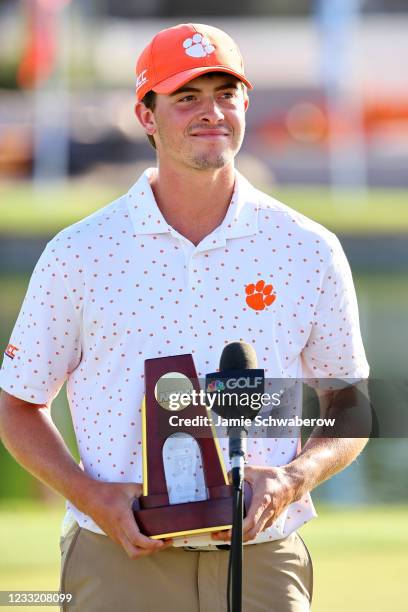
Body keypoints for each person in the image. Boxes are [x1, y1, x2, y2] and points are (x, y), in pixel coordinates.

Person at [0, 23, 370, 612]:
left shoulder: (307, 248)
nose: (212, 112)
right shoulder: (80, 252)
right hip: (121, 559)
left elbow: (349, 399)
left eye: (226, 93)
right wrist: (90, 495)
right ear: (146, 115)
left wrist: (295, 478)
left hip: (263, 561)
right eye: (187, 97)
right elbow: (17, 404)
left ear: (245, 104)